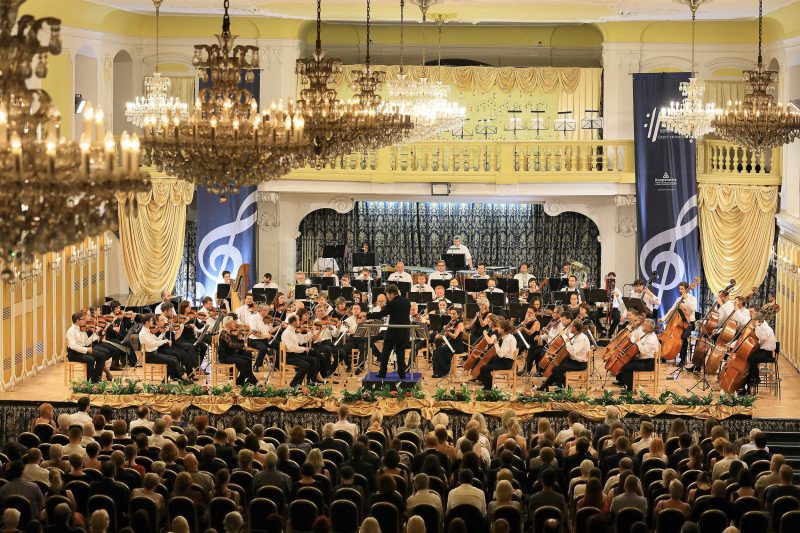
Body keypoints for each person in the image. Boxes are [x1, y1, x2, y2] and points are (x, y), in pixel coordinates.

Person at [367, 284, 411, 379]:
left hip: (393, 332)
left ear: (391, 294)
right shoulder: (406, 301)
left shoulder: (392, 303)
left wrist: (367, 315)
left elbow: (380, 315)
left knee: (386, 352)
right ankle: (402, 374)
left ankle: (382, 373)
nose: (387, 296)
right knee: (400, 353)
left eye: (387, 294)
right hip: (404, 332)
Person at [539, 319, 589, 391]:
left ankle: (565, 388)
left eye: (571, 326)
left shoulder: (582, 338)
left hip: (579, 364)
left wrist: (568, 342)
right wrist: (564, 335)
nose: (569, 327)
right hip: (573, 361)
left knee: (556, 369)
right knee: (556, 366)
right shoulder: (577, 335)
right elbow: (568, 340)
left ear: (574, 328)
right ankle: (545, 386)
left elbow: (572, 351)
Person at [66, 312, 111, 382]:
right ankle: (90, 381)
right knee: (91, 359)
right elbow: (73, 346)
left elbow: (86, 342)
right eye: (82, 319)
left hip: (83, 350)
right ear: (77, 321)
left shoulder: (82, 329)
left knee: (102, 356)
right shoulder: (71, 331)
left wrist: (94, 334)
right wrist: (86, 349)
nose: (84, 321)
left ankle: (97, 378)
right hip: (74, 354)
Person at [661, 281, 697, 368]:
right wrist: (663, 318)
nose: (680, 290)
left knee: (683, 338)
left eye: (682, 289)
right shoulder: (678, 299)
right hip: (680, 323)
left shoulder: (692, 298)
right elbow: (671, 310)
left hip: (690, 323)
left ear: (686, 289)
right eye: (679, 289)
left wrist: (686, 299)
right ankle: (666, 354)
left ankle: (683, 359)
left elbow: (692, 309)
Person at [616, 319, 659, 390]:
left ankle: (629, 389)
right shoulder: (646, 334)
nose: (642, 325)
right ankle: (623, 383)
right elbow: (637, 342)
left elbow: (644, 351)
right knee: (625, 362)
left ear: (648, 327)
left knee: (627, 367)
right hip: (643, 360)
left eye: (644, 325)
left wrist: (638, 342)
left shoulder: (651, 338)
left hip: (648, 363)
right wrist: (633, 338)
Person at [281, 315, 323, 386]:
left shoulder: (293, 331)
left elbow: (302, 340)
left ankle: (310, 381)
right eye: (298, 320)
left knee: (313, 360)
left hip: (294, 354)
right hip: (289, 356)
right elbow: (292, 348)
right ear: (294, 322)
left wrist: (311, 332)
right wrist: (304, 349)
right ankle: (295, 383)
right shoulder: (288, 333)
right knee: (305, 364)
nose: (300, 322)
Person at [217, 316, 258, 385]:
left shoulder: (229, 332)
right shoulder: (224, 333)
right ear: (228, 324)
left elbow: (236, 342)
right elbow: (232, 345)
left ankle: (241, 380)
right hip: (225, 357)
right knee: (243, 362)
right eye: (233, 322)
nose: (234, 324)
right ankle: (252, 381)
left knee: (248, 359)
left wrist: (240, 339)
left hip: (231, 355)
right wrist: (242, 345)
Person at [477, 320, 516, 390]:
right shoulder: (510, 336)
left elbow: (500, 354)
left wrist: (496, 343)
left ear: (503, 329)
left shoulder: (507, 339)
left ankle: (489, 387)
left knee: (483, 368)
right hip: (505, 360)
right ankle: (491, 384)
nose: (498, 329)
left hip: (506, 363)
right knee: (487, 362)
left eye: (499, 327)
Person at [432, 307, 465, 378]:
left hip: (456, 345)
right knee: (435, 351)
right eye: (451, 313)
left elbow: (455, 336)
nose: (452, 315)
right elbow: (445, 335)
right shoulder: (451, 322)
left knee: (439, 350)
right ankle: (437, 372)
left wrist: (447, 331)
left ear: (459, 315)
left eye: (454, 314)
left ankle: (444, 371)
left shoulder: (460, 324)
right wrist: (440, 335)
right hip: (449, 344)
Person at [746, 312, 776, 388]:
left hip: (767, 353)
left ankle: (756, 378)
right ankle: (749, 383)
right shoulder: (761, 326)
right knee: (750, 358)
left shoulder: (765, 328)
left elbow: (762, 338)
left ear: (757, 320)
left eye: (752, 319)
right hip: (763, 351)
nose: (751, 321)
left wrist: (756, 327)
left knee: (751, 359)